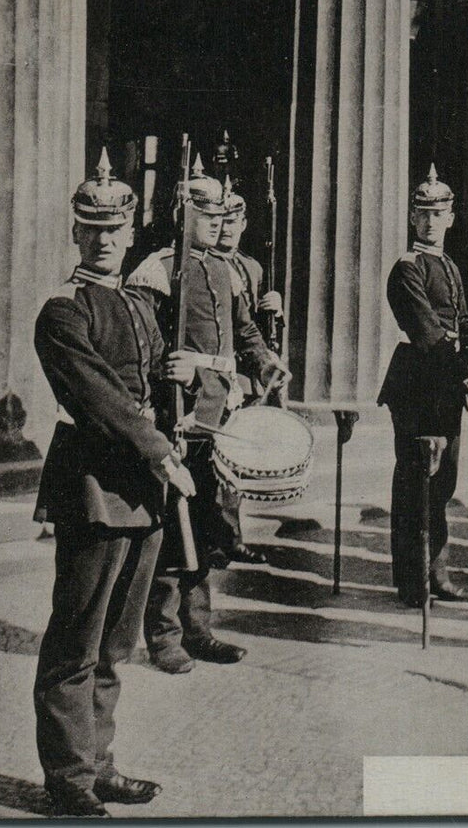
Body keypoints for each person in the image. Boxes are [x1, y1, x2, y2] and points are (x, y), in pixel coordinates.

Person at [32, 149, 196, 817]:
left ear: (132, 233)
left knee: (115, 643)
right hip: (96, 485)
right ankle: (67, 778)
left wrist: (181, 375)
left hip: (145, 490)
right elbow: (101, 399)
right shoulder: (62, 311)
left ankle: (100, 763)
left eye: (114, 228)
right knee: (76, 641)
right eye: (90, 227)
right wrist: (159, 450)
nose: (103, 239)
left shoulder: (140, 307)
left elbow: (150, 381)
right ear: (75, 232)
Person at [129, 156, 286, 674]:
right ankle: (164, 636)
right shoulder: (157, 268)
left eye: (222, 212)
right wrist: (171, 371)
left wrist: (264, 363)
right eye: (206, 210)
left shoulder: (223, 269)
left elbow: (244, 332)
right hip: (176, 416)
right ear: (182, 210)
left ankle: (199, 631)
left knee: (206, 526)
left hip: (217, 414)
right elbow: (139, 344)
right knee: (174, 529)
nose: (218, 220)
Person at [378, 165, 468, 607]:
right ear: (412, 219)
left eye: (437, 213)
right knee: (415, 483)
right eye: (422, 213)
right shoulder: (407, 268)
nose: (429, 221)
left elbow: (456, 321)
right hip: (418, 383)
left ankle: (436, 572)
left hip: (446, 383)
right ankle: (412, 580)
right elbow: (426, 330)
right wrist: (463, 365)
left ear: (451, 218)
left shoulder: (450, 265)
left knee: (441, 485)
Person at [210, 181, 285, 566]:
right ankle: (224, 537)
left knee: (235, 463)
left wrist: (276, 309)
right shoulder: (208, 265)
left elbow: (251, 326)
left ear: (243, 224)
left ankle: (229, 534)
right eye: (220, 220)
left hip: (248, 373)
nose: (226, 228)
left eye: (233, 221)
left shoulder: (252, 267)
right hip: (222, 373)